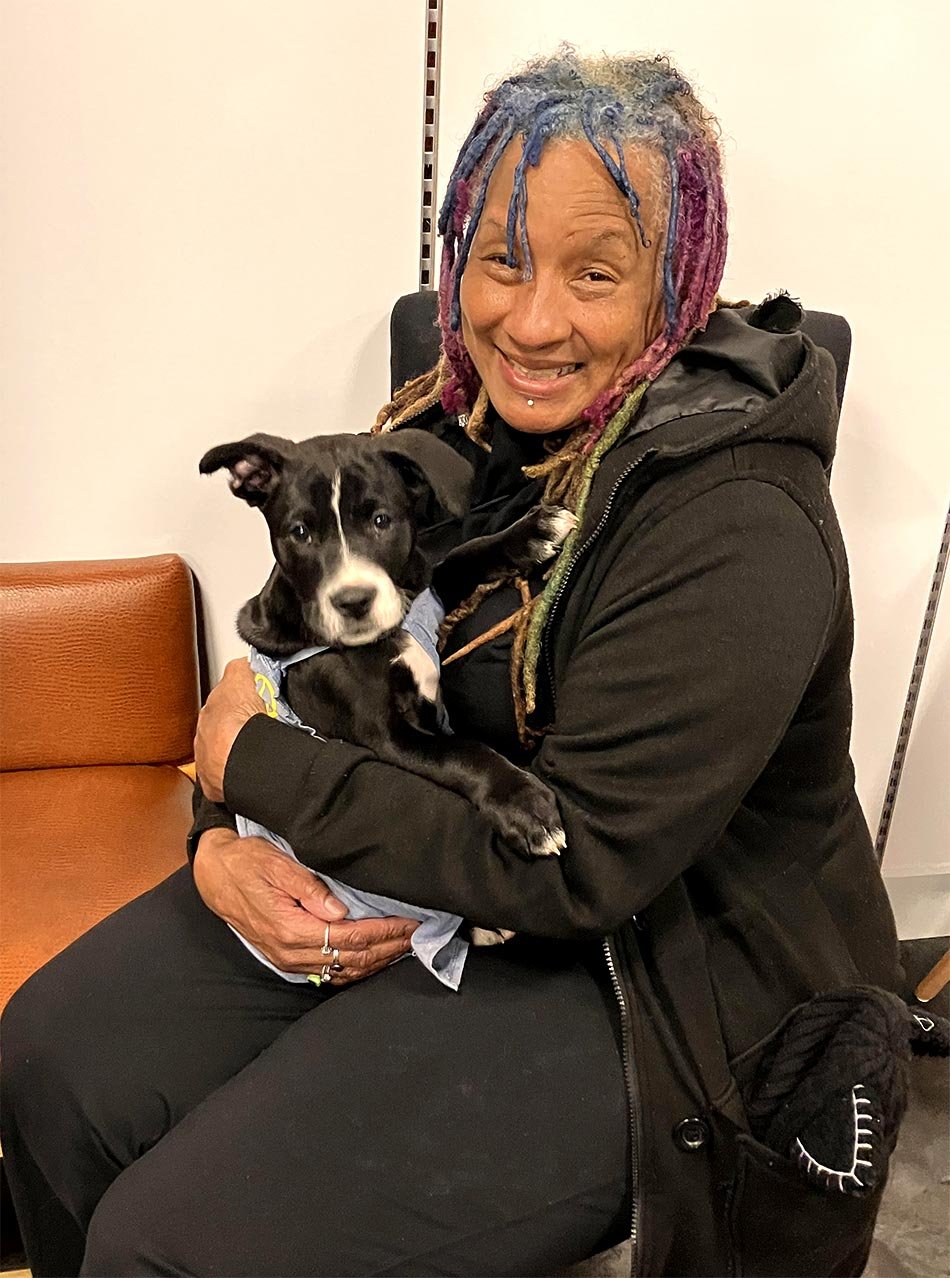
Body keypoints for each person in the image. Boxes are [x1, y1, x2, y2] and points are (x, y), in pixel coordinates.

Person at [1, 48, 904, 1277]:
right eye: (500, 259)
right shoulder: (443, 421)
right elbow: (287, 652)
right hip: (414, 870)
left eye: (594, 271)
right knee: (56, 1056)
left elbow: (573, 867)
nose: (530, 321)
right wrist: (219, 837)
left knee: (173, 1242)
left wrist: (255, 770)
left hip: (648, 969)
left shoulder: (738, 518)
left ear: (674, 284)